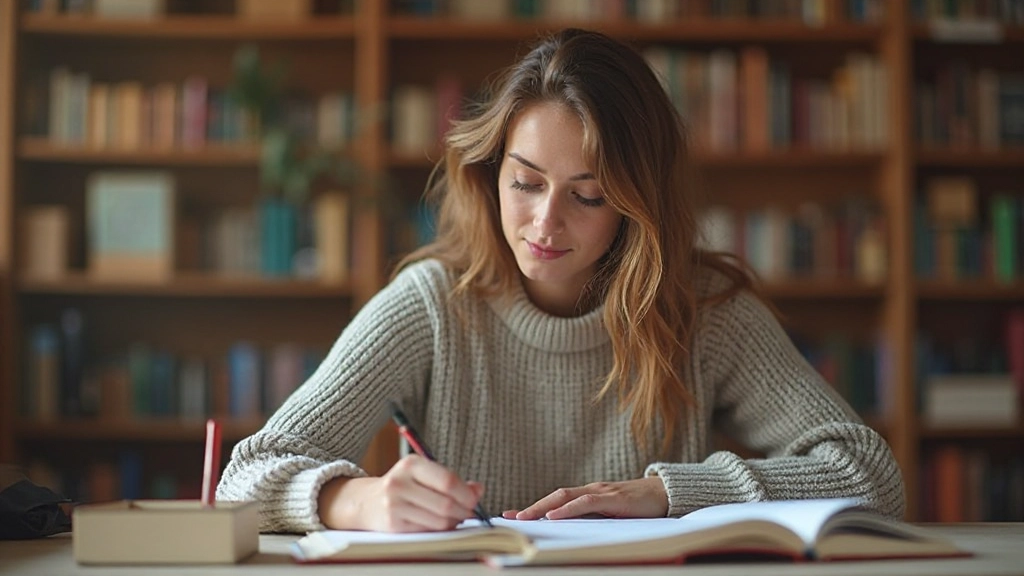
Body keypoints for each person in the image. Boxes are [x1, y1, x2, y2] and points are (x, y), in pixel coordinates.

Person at [217, 28, 905, 534]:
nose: (544, 222)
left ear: (639, 205)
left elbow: (870, 474)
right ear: (491, 174)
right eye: (525, 182)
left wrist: (669, 494)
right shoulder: (430, 306)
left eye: (589, 195)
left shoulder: (703, 312)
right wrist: (356, 500)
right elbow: (241, 479)